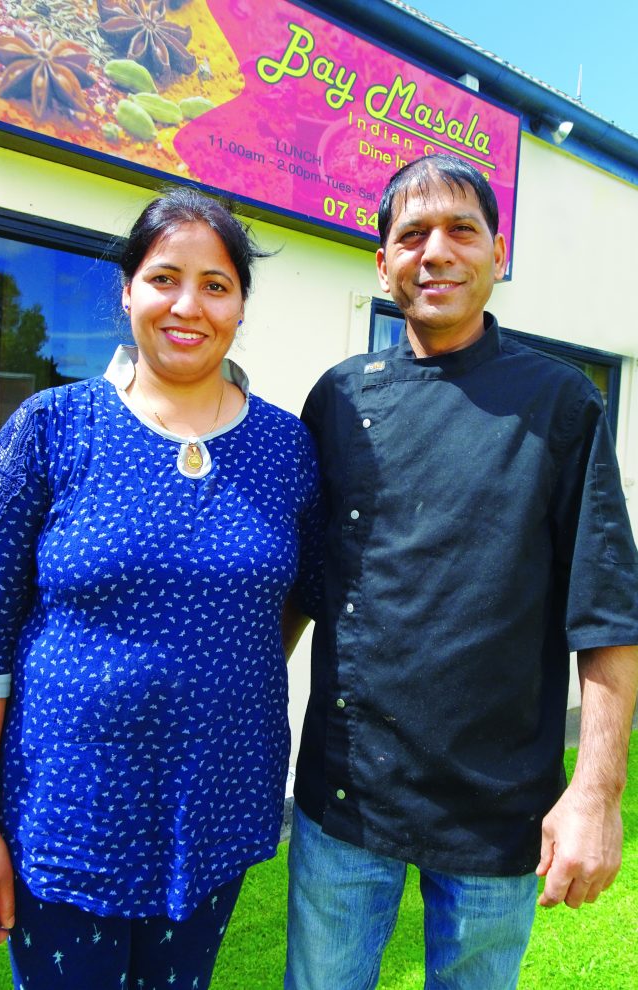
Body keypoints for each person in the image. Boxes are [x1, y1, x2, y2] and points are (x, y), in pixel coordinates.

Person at [0, 188, 323, 989]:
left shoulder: (286, 447)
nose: (189, 305)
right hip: (67, 816)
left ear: (241, 306)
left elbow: (284, 602)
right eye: (163, 278)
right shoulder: (52, 428)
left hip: (213, 808)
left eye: (216, 285)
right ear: (126, 291)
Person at [284, 153, 638, 990]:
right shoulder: (339, 397)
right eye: (411, 235)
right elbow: (302, 584)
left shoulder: (562, 405)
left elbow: (608, 615)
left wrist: (594, 797)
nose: (434, 252)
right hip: (346, 797)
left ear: (497, 253)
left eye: (460, 231)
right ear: (383, 262)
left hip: (497, 806)